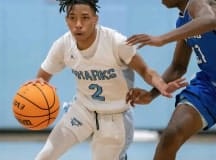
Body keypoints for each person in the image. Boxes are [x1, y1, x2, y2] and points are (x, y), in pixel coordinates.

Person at [33, 0, 186, 160]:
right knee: (46, 155)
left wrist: (161, 85)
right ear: (66, 20)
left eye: (85, 18)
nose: (78, 24)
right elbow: (42, 77)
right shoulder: (64, 44)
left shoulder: (116, 42)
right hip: (82, 110)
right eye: (72, 18)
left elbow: (145, 70)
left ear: (95, 19)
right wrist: (37, 93)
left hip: (115, 117)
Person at [126, 0, 216, 160]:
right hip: (209, 86)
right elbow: (178, 67)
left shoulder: (199, 2)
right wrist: (151, 95)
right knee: (171, 136)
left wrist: (161, 39)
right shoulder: (183, 21)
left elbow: (210, 20)